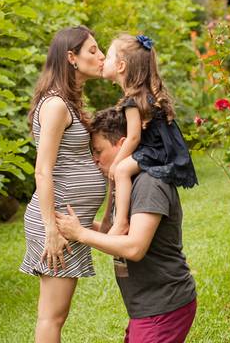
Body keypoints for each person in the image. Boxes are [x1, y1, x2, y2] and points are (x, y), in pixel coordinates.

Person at [56, 107, 197, 343]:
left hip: (163, 306)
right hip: (146, 308)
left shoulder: (149, 183)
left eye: (99, 150)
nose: (95, 158)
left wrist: (80, 233)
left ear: (122, 144)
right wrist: (81, 225)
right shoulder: (127, 182)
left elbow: (134, 248)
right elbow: (115, 232)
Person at [19, 25, 108, 343]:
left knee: (56, 315)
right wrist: (51, 230)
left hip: (67, 220)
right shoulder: (56, 105)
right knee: (51, 317)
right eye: (93, 50)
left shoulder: (68, 102)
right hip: (55, 221)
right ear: (71, 57)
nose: (101, 56)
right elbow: (42, 170)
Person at [102, 33, 197, 236]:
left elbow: (134, 137)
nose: (103, 60)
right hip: (159, 148)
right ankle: (119, 220)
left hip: (155, 151)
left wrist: (116, 161)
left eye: (108, 57)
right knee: (123, 170)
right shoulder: (144, 95)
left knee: (121, 172)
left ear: (120, 66)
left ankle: (120, 223)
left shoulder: (133, 100)